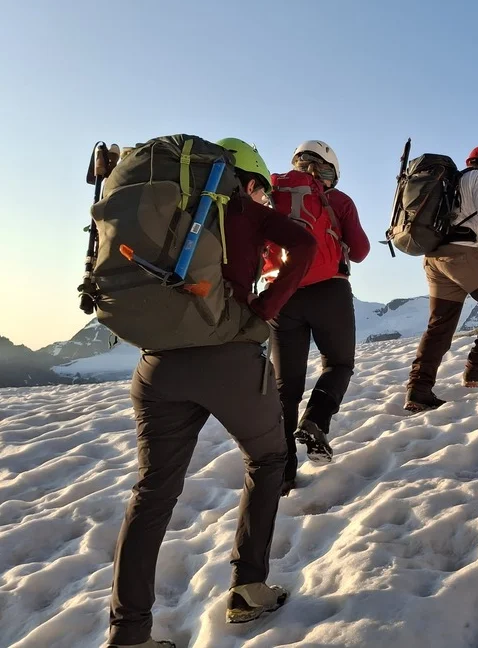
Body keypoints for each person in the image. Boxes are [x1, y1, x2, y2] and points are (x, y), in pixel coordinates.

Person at [107, 138, 316, 647]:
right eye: (261, 189)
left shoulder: (167, 210)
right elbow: (305, 246)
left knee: (152, 493)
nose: (263, 198)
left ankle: (128, 633)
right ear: (245, 180)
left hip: (157, 365)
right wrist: (264, 310)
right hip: (229, 358)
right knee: (267, 460)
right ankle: (247, 587)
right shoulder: (242, 207)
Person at [263, 140, 370, 492]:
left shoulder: (271, 197)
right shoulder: (338, 201)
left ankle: (282, 474)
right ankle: (316, 421)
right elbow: (361, 252)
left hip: (283, 295)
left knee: (285, 388)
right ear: (329, 170)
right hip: (329, 292)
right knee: (338, 365)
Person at [404, 145, 478, 412]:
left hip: (434, 259)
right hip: (463, 254)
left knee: (439, 325)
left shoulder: (449, 182)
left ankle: (418, 390)